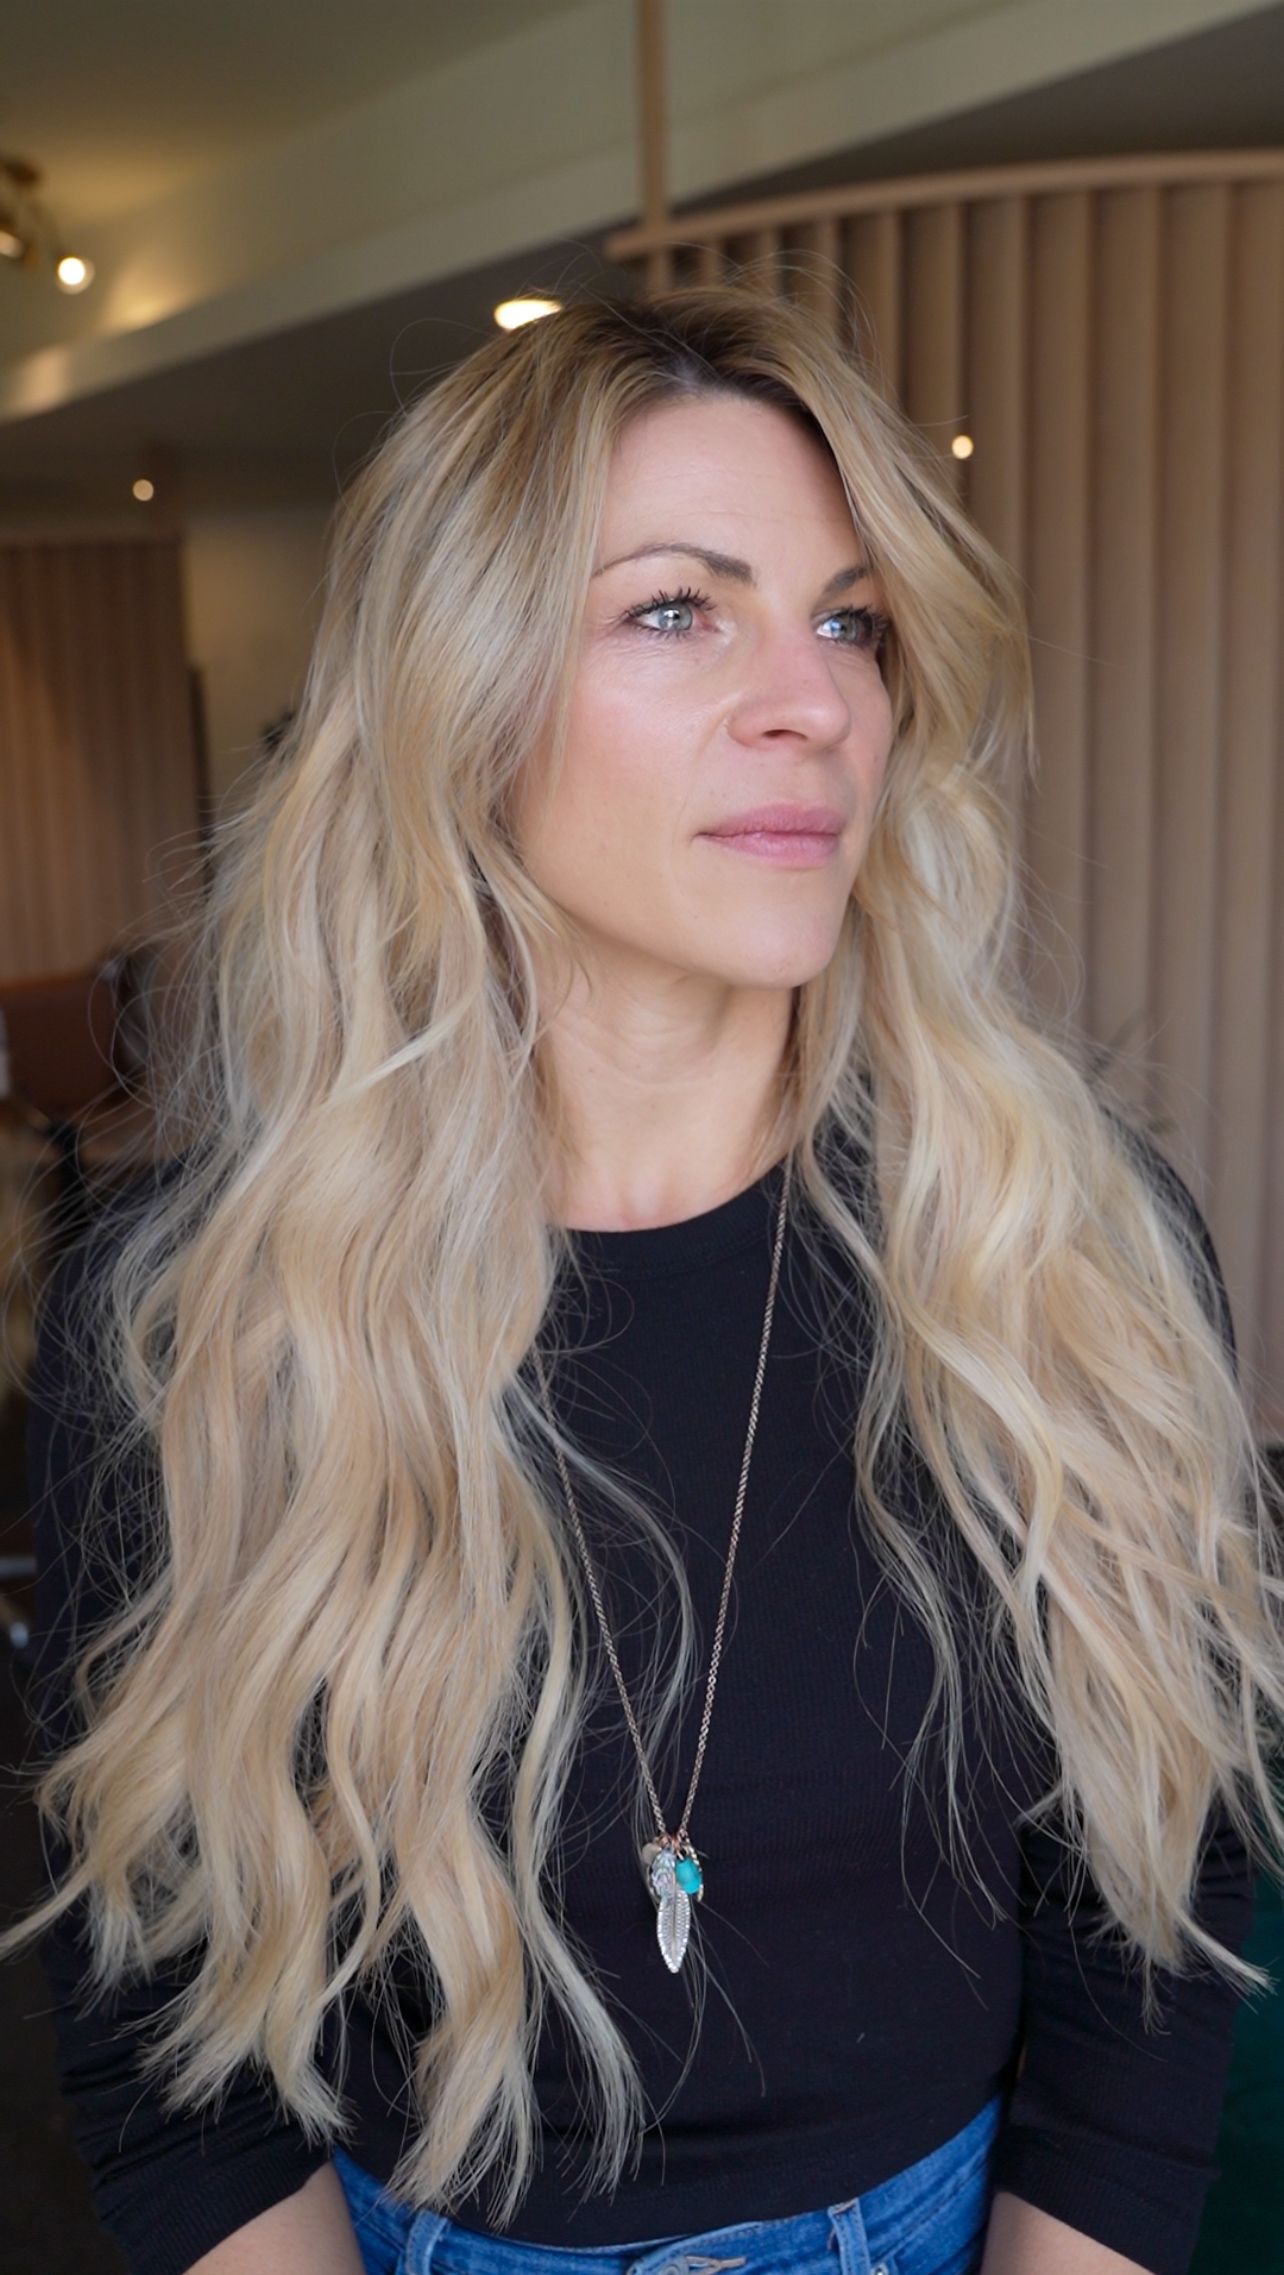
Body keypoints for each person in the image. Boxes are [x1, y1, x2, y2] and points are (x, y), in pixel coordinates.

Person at [4, 284, 1283, 2275]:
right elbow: (158, 2022)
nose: (815, 704)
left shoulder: (1069, 1255)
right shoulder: (186, 1325)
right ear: (460, 697)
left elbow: (1151, 1932)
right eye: (680, 610)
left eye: (851, 623)